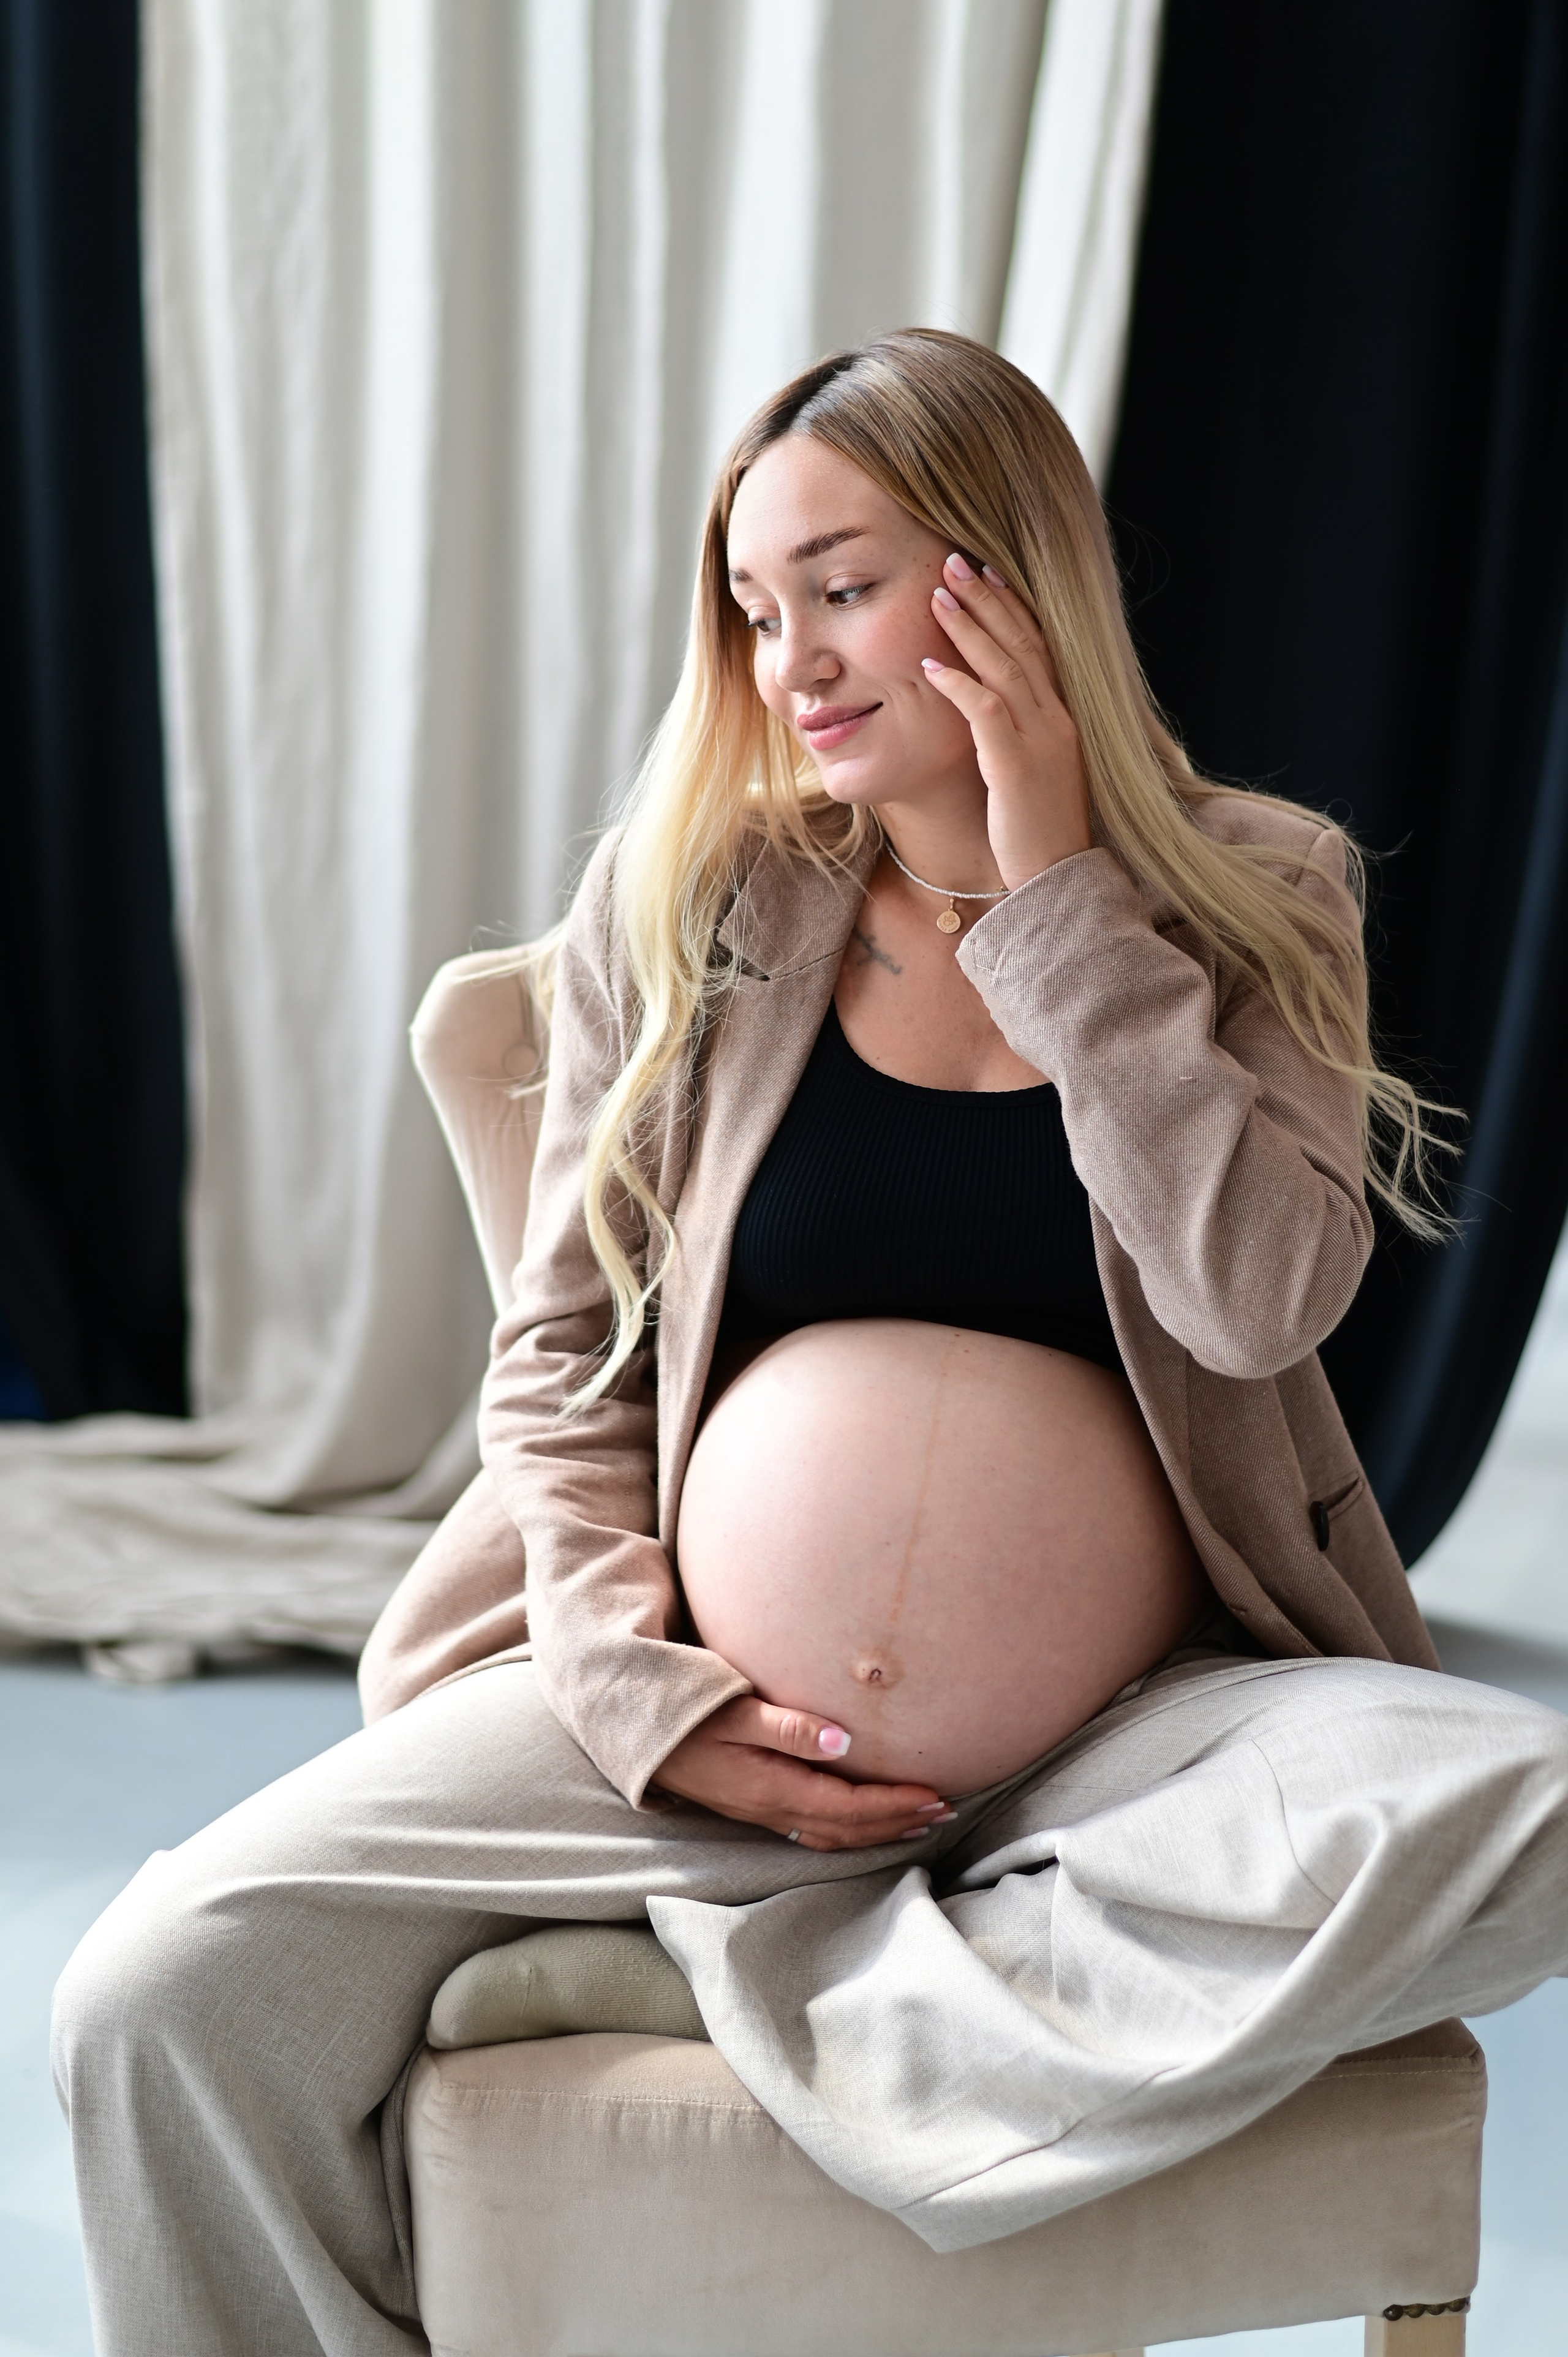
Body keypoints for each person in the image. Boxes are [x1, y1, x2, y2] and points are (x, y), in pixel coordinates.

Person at [53, 331, 1568, 2356]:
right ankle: (828, 1936)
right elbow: (560, 1366)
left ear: (1011, 579)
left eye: (842, 587)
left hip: (1126, 1749)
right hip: (693, 1723)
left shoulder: (1256, 892)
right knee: (156, 1992)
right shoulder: (692, 898)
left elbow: (1256, 1300)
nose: (795, 664)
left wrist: (1056, 899)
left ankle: (836, 1975)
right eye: (760, 612)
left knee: (1539, 1813)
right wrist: (630, 1688)